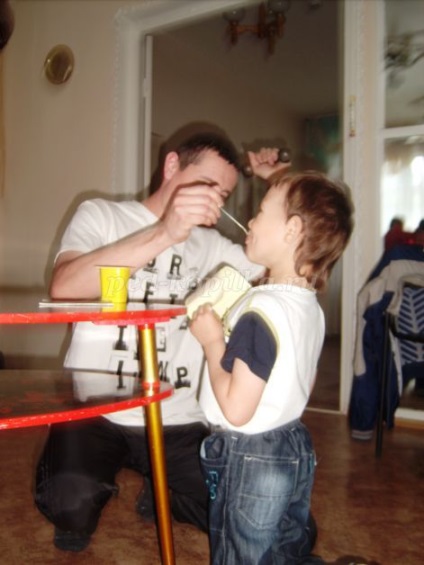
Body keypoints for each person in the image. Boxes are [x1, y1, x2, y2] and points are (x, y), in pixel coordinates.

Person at [34, 130, 285, 552]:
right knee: (69, 513)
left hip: (178, 418)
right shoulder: (101, 215)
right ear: (172, 167)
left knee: (240, 517)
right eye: (206, 186)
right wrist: (166, 232)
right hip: (98, 410)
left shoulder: (215, 246)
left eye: (222, 194)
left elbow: (290, 258)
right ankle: (97, 483)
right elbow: (65, 286)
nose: (215, 203)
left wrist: (281, 183)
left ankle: (162, 488)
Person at [190, 170, 354, 564]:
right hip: (292, 442)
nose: (250, 221)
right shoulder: (308, 307)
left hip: (250, 454)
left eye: (261, 212)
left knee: (240, 554)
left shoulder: (260, 310)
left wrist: (212, 340)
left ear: (292, 230)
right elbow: (299, 381)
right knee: (283, 549)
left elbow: (236, 408)